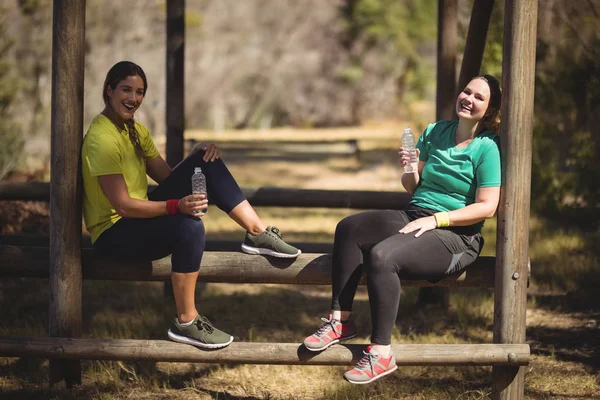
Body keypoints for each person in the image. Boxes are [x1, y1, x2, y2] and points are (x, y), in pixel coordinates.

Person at [81, 61, 300, 349]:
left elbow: (169, 178)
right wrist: (176, 206)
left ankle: (257, 232)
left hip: (137, 221)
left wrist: (194, 161)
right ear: (109, 90)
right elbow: (122, 206)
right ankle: (186, 321)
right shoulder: (102, 139)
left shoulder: (134, 131)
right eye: (126, 90)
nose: (133, 99)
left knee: (205, 159)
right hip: (114, 234)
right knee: (190, 228)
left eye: (139, 92)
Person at [303, 75, 502, 384]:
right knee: (350, 228)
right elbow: (414, 187)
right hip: (415, 213)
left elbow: (487, 206)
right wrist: (409, 169)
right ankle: (339, 321)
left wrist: (437, 220)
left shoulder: (488, 148)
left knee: (383, 256)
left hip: (456, 235)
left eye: (479, 97)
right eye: (467, 91)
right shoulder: (437, 131)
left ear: (489, 111)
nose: (469, 99)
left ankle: (381, 352)